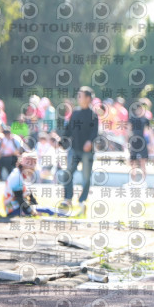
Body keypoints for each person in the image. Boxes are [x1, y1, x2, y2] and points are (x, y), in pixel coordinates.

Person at [59, 86, 99, 216]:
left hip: (87, 151)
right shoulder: (75, 113)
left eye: (81, 96)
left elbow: (95, 132)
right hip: (74, 149)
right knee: (67, 174)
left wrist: (90, 141)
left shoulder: (93, 115)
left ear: (88, 98)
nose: (78, 98)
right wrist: (61, 141)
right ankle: (67, 199)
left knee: (86, 177)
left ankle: (82, 201)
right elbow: (68, 130)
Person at [3, 152, 67, 217]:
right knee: (48, 210)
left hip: (20, 207)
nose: (33, 168)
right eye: (31, 166)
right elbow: (19, 198)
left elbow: (30, 197)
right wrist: (32, 211)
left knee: (46, 209)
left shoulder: (24, 175)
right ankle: (65, 214)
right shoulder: (16, 176)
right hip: (14, 210)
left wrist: (37, 207)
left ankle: (65, 214)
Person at [127, 99, 151, 185]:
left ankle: (144, 181)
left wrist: (150, 143)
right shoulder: (132, 119)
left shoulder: (145, 119)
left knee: (143, 162)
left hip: (142, 141)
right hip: (134, 141)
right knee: (133, 162)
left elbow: (149, 131)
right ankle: (132, 181)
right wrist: (127, 142)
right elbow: (128, 130)